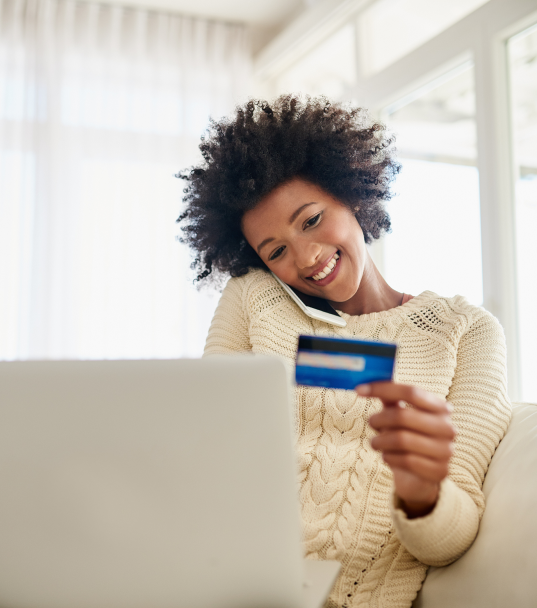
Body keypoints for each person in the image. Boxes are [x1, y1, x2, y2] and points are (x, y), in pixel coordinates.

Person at [177, 96, 512, 608]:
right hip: (218, 580)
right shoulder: (254, 300)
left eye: (311, 220)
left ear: (351, 193)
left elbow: (451, 537)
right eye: (275, 251)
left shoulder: (464, 333)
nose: (306, 257)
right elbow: (201, 452)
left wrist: (421, 491)